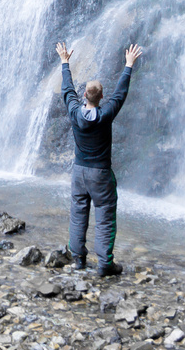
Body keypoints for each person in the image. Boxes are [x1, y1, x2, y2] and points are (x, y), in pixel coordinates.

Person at [56, 41, 142, 277]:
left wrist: (65, 62)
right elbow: (121, 93)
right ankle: (105, 264)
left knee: (78, 212)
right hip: (101, 174)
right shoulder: (106, 114)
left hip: (79, 172)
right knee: (104, 217)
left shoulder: (74, 111)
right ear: (102, 96)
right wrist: (129, 65)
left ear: (84, 95)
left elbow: (67, 89)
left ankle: (79, 260)